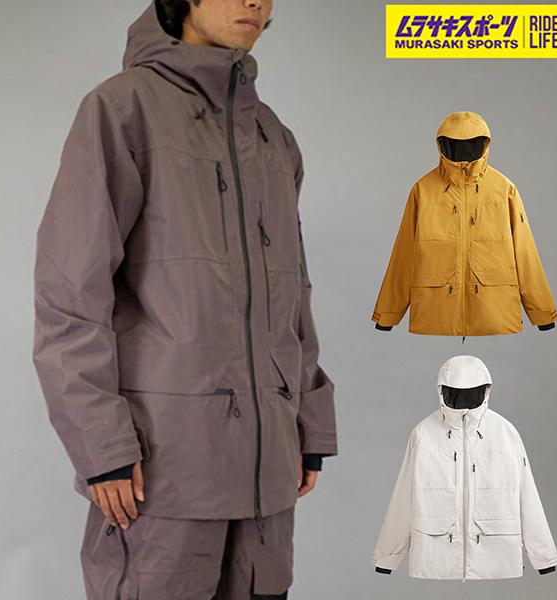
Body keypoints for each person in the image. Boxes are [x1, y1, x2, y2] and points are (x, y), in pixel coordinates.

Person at [32, 1, 338, 598]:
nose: (254, 1)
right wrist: (102, 447)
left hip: (267, 477)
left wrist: (309, 426)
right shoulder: (123, 109)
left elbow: (291, 295)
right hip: (162, 470)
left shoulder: (273, 136)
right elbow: (70, 293)